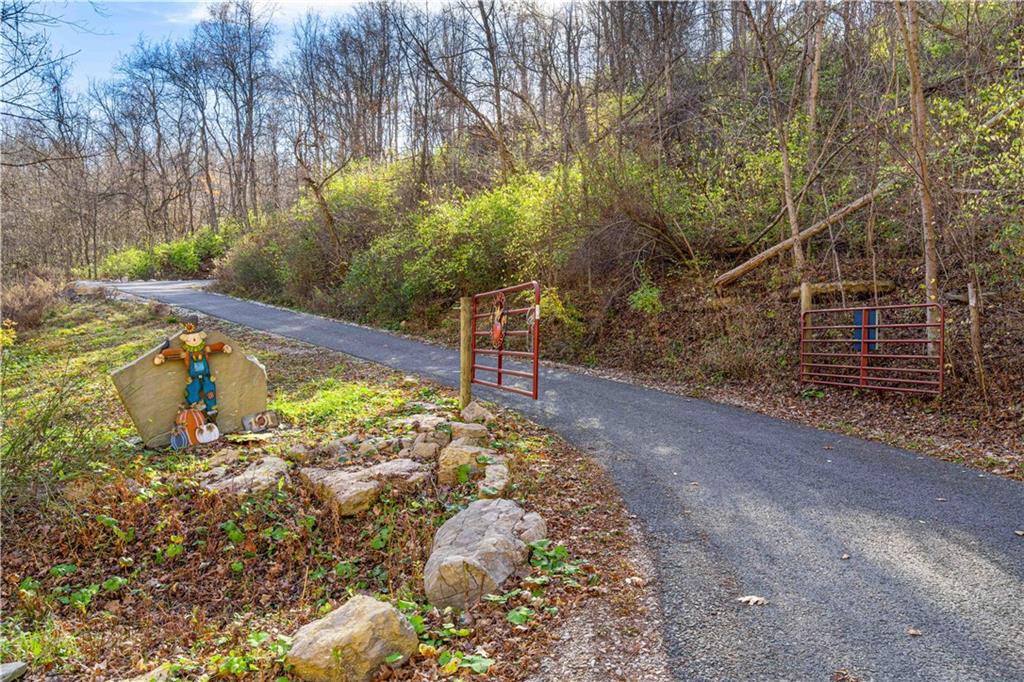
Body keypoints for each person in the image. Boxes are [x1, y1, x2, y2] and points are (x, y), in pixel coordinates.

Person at [153, 315, 232, 416]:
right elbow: (174, 353)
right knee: (191, 393)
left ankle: (212, 411)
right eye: (190, 338)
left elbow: (215, 347)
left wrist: (223, 347)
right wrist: (162, 355)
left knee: (210, 392)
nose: (194, 340)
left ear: (200, 336)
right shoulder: (185, 353)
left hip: (206, 377)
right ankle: (198, 408)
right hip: (193, 378)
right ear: (185, 339)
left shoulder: (205, 349)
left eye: (195, 336)